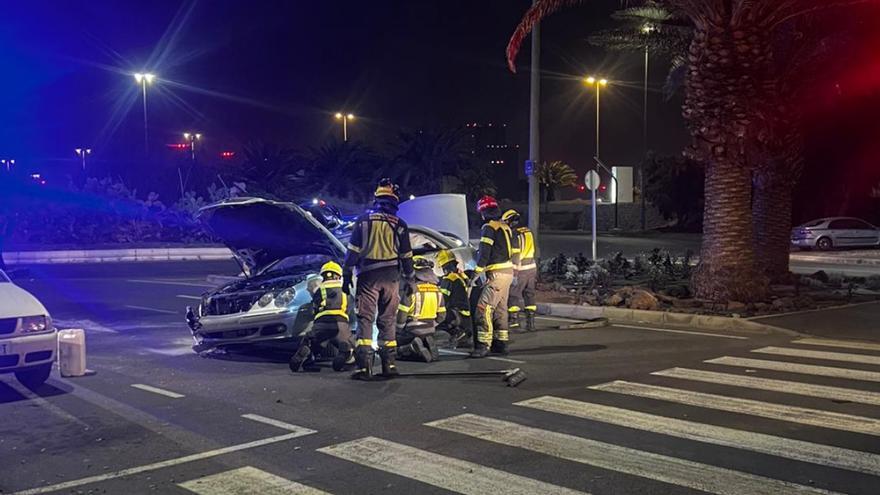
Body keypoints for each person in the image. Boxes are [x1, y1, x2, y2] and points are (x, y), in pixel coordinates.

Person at [343, 178, 414, 381]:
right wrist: (410, 280)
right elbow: (407, 256)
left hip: (368, 277)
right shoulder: (400, 224)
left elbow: (352, 252)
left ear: (376, 200)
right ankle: (389, 365)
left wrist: (346, 274)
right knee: (388, 320)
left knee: (366, 319)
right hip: (392, 277)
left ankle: (364, 367)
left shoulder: (363, 221)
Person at [470, 196, 519, 358]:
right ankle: (501, 344)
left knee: (483, 309)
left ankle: (484, 345)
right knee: (500, 310)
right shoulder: (505, 227)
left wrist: (474, 274)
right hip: (507, 273)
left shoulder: (489, 228)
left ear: (483, 212)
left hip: (496, 275)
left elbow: (484, 253)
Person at [289, 261, 354, 373]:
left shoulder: (320, 289)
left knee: (313, 341)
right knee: (348, 343)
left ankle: (307, 358)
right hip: (340, 323)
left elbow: (315, 307)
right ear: (338, 275)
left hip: (321, 322)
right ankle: (344, 355)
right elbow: (350, 308)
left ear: (323, 276)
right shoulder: (344, 288)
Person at [395, 256, 445, 362]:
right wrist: (431, 324)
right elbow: (442, 316)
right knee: (423, 337)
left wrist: (397, 330)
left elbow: (402, 316)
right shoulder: (437, 290)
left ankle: (411, 347)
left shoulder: (411, 289)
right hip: (430, 329)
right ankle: (427, 345)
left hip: (411, 331)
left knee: (394, 349)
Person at [503, 209, 538, 332]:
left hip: (521, 269)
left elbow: (516, 255)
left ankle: (514, 322)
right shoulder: (528, 231)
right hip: (532, 268)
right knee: (530, 295)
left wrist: (514, 273)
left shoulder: (514, 234)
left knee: (514, 295)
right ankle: (531, 323)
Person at [435, 249, 472, 348]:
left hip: (457, 315)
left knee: (438, 315)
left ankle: (457, 332)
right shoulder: (461, 276)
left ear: (444, 267)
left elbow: (443, 300)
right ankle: (463, 332)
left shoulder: (449, 280)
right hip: (466, 314)